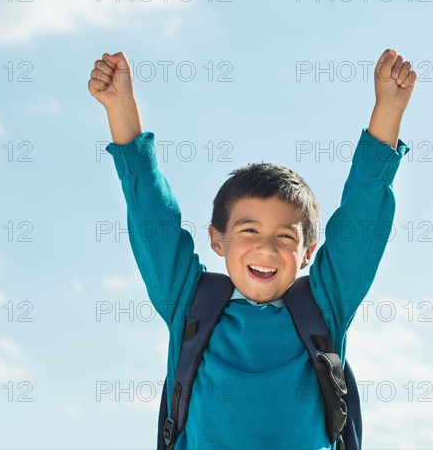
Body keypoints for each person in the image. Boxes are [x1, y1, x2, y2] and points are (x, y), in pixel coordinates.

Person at [88, 48, 416, 449]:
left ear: (308, 251)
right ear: (216, 238)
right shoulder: (190, 304)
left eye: (285, 236)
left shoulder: (323, 306)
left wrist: (388, 110)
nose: (266, 247)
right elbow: (153, 220)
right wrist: (121, 108)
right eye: (248, 230)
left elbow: (360, 223)